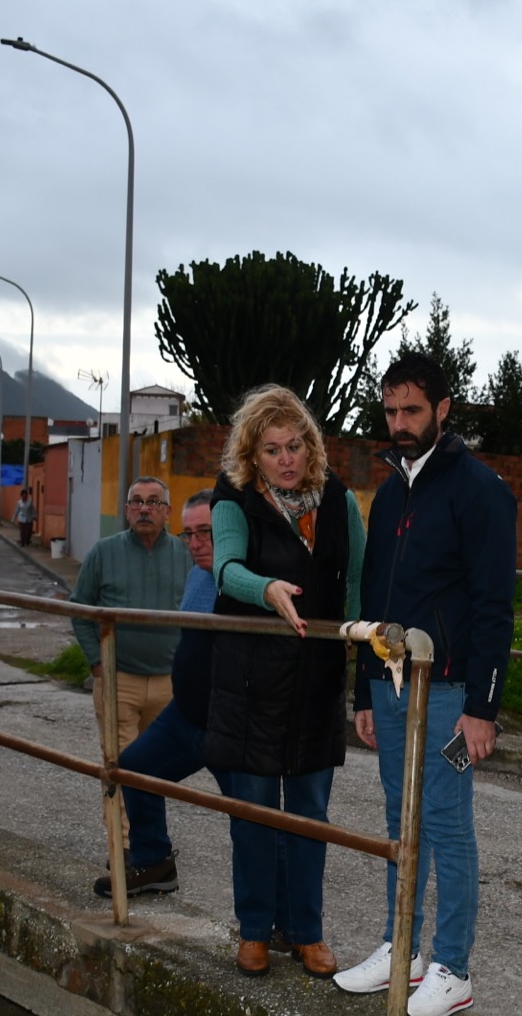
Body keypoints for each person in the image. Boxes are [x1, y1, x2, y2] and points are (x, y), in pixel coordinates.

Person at [334, 351, 517, 1016]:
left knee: (446, 823)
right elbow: (371, 598)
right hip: (389, 687)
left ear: (442, 409)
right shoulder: (389, 492)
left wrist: (483, 707)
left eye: (412, 410)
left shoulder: (481, 490)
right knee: (397, 821)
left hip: (447, 691)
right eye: (390, 411)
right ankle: (402, 949)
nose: (400, 422)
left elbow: (496, 606)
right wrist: (363, 692)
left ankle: (453, 968)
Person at [203, 386, 365, 978]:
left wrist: (356, 653)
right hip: (250, 680)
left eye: (295, 445)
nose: (286, 459)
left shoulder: (340, 500)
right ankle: (253, 931)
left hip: (317, 681)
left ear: (311, 446)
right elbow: (226, 569)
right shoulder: (234, 496)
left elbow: (356, 583)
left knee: (309, 815)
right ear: (253, 454)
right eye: (272, 450)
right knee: (252, 815)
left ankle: (306, 933)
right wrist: (266, 588)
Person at [93, 489, 225, 900]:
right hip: (185, 713)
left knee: (251, 815)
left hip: (228, 721)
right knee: (135, 768)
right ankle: (154, 863)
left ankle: (267, 920)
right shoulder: (198, 573)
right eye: (189, 534)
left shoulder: (245, 581)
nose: (195, 543)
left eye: (205, 532)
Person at [70, 476, 193, 755]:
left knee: (159, 763)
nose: (144, 509)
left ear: (167, 511)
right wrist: (97, 663)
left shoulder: (186, 555)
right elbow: (79, 608)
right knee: (121, 763)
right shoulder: (103, 552)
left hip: (169, 683)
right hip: (117, 679)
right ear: (127, 510)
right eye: (137, 502)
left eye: (153, 502)